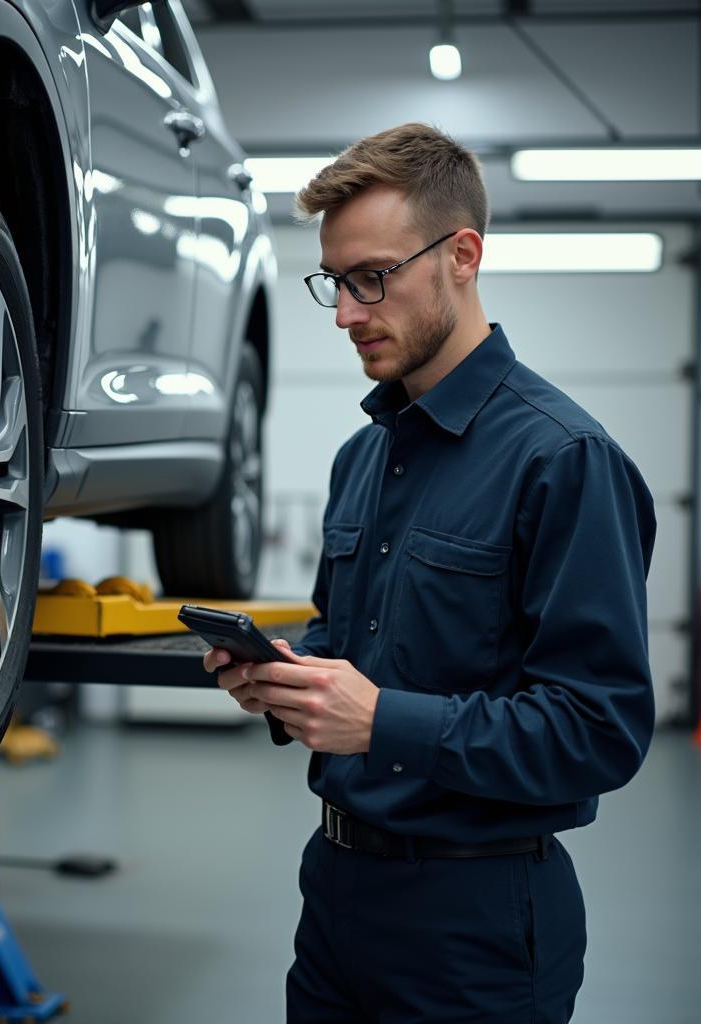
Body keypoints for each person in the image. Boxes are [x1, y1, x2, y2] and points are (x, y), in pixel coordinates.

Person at [203, 123, 656, 1023]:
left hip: (473, 924)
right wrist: (289, 684)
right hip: (334, 896)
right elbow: (354, 645)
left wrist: (381, 722)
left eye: (373, 277)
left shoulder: (563, 460)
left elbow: (599, 731)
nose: (346, 313)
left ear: (462, 255)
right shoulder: (360, 460)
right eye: (334, 282)